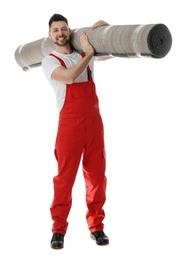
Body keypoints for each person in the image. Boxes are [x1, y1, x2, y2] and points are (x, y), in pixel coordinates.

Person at [42, 13, 111, 249]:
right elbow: (70, 78)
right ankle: (58, 230)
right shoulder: (50, 60)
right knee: (64, 180)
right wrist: (89, 53)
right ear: (50, 35)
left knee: (96, 177)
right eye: (55, 30)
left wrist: (103, 32)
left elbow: (110, 52)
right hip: (69, 126)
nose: (60, 33)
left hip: (94, 123)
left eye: (64, 29)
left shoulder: (84, 52)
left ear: (69, 30)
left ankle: (97, 227)